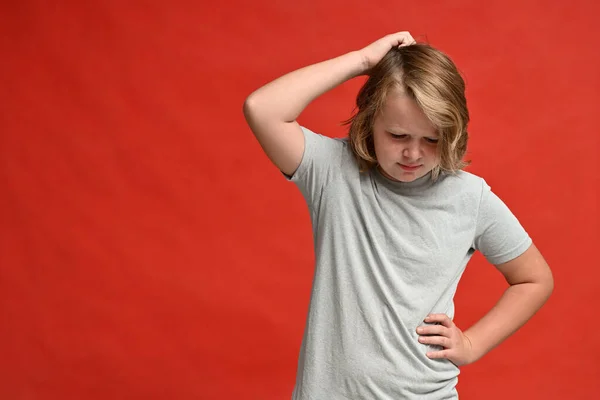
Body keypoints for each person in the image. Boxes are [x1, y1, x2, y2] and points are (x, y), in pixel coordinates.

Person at [243, 31, 554, 399]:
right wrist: (362, 61)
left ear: (453, 134)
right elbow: (262, 109)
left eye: (432, 140)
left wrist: (472, 343)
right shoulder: (333, 171)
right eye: (397, 135)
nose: (413, 153)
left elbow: (534, 279)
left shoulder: (470, 198)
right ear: (370, 120)